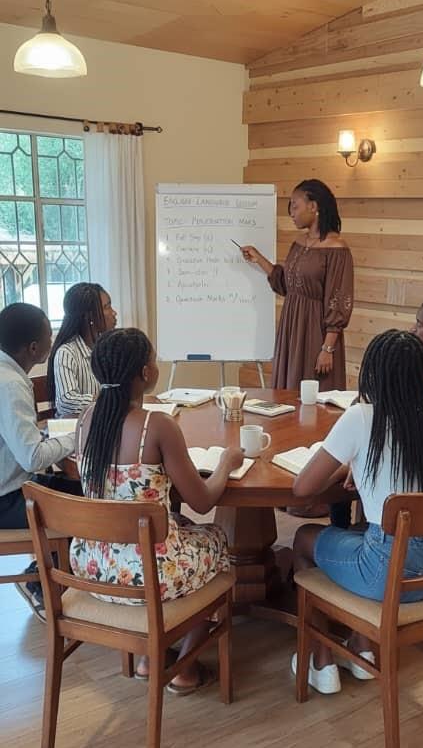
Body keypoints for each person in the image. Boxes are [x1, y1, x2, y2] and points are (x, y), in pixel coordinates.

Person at [71, 327, 244, 692]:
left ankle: (150, 658)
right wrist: (226, 464)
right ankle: (185, 668)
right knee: (218, 540)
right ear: (146, 373)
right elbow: (202, 501)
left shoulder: (85, 420)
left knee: (178, 524)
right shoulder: (157, 425)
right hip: (148, 575)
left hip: (93, 566)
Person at [291, 330, 423, 694]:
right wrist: (360, 463)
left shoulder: (361, 418)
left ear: (371, 373)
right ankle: (361, 646)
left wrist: (348, 461)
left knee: (303, 538)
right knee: (358, 531)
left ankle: (321, 658)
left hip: (388, 574)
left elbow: (302, 489)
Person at [0, 302, 81, 620]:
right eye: (49, 335)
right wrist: (78, 436)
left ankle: (51, 574)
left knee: (82, 490)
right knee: (89, 506)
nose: (52, 339)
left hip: (11, 485)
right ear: (33, 347)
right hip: (6, 499)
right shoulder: (10, 384)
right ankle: (38, 582)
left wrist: (49, 439)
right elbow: (32, 458)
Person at [241, 179, 353, 391]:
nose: (291, 213)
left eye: (295, 205)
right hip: (291, 327)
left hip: (315, 332)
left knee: (314, 393)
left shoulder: (337, 248)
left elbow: (338, 300)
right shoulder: (299, 243)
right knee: (288, 391)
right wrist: (259, 259)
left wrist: (327, 348)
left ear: (313, 206)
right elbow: (287, 284)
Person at [47, 282, 117, 417]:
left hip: (102, 421)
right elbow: (66, 402)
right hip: (75, 426)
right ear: (89, 316)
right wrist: (108, 399)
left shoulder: (106, 348)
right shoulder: (66, 353)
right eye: (107, 307)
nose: (114, 313)